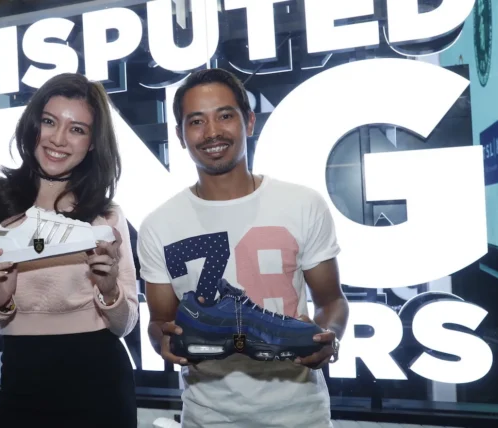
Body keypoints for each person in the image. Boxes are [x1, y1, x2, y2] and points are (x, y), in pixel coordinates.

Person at [137, 68, 349, 427]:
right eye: (196, 121)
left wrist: (330, 338)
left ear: (249, 122)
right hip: (207, 417)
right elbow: (160, 322)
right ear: (180, 135)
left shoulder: (302, 204)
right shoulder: (158, 224)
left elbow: (332, 301)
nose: (212, 132)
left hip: (300, 415)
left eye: (225, 116)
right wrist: (163, 342)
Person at [0, 73, 139, 428]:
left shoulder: (106, 215)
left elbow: (126, 324)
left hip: (101, 380)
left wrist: (110, 290)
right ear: (32, 123)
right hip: (22, 376)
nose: (58, 139)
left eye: (77, 129)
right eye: (49, 122)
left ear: (92, 143)